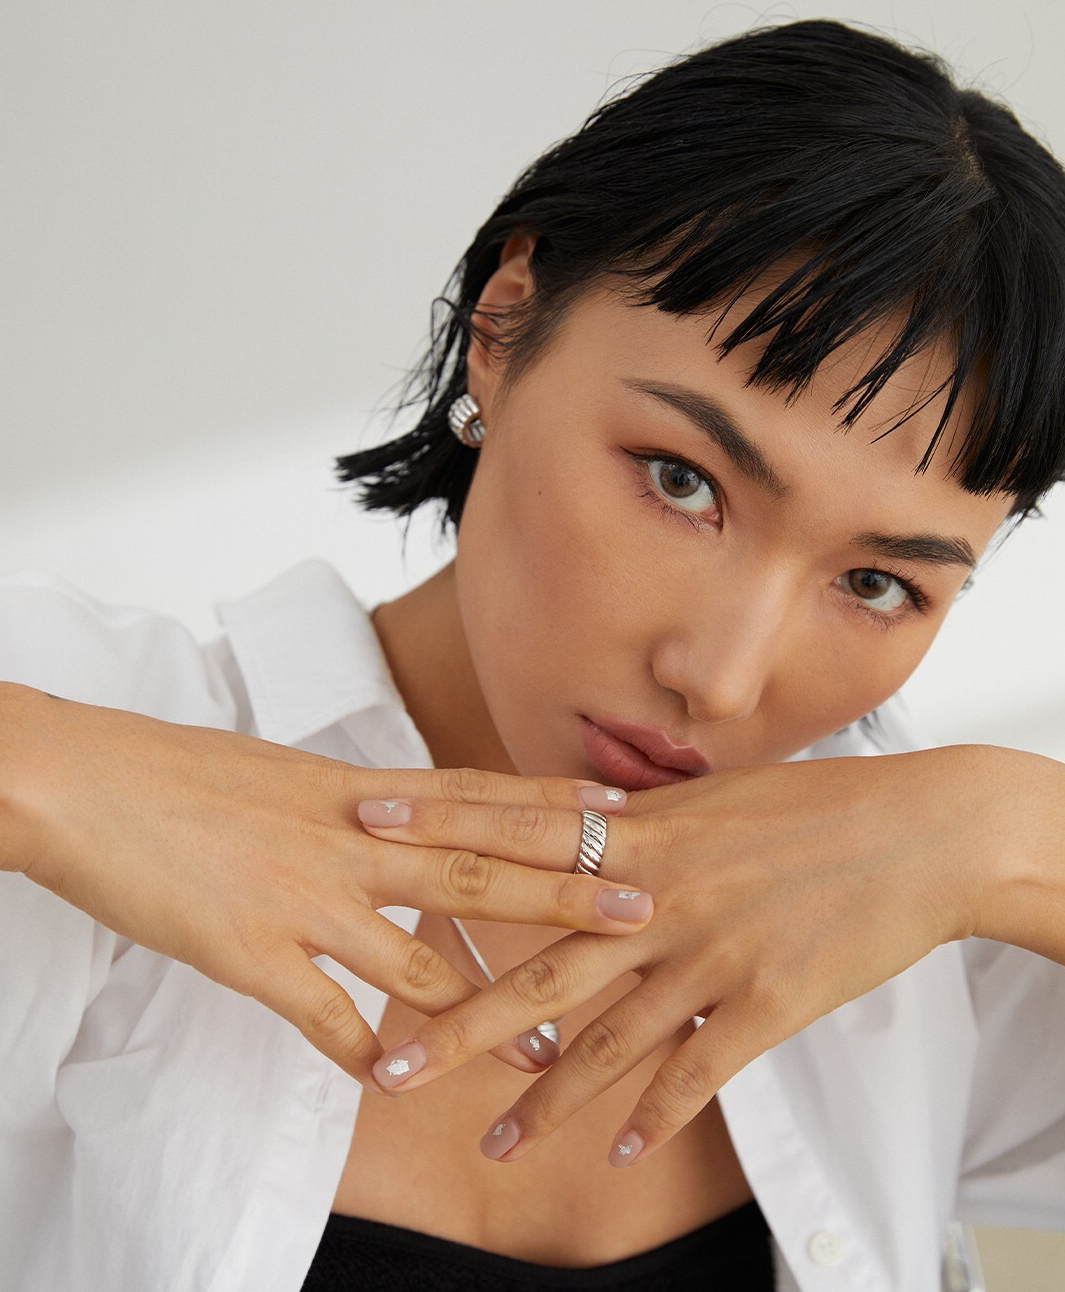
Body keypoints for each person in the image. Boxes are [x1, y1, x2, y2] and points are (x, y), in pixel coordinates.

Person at [2, 17, 1064, 1292]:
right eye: (683, 480)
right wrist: (35, 768)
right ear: (501, 331)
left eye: (878, 582)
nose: (720, 677)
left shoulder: (926, 937)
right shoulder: (107, 737)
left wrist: (1001, 830)